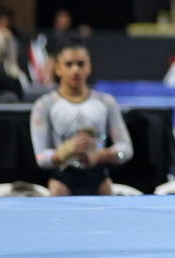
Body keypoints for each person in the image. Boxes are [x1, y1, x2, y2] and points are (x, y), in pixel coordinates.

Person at [30, 43, 134, 195]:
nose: (75, 70)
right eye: (68, 64)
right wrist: (63, 152)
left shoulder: (106, 102)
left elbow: (126, 150)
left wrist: (102, 155)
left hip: (99, 180)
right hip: (63, 181)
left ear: (89, 67)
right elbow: (40, 157)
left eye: (80, 64)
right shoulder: (44, 105)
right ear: (57, 69)